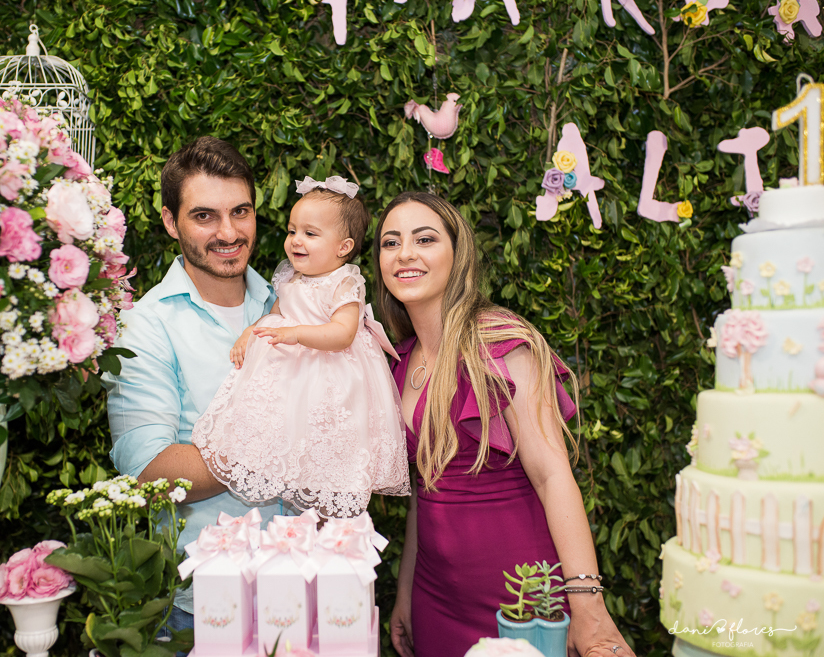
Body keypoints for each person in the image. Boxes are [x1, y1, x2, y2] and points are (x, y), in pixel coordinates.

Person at [377, 192, 635, 657]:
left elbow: (552, 475)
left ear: (457, 255)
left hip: (520, 597)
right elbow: (423, 492)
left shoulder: (499, 343)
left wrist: (589, 608)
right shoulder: (399, 361)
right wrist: (406, 595)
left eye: (425, 239)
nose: (405, 253)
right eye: (390, 242)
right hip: (435, 599)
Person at [104, 136, 283, 632]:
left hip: (305, 584)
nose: (228, 232)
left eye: (240, 212)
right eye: (205, 216)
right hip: (203, 607)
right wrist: (282, 442)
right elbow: (150, 471)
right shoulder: (146, 327)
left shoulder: (288, 305)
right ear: (170, 221)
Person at [192, 175, 410, 518]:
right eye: (292, 230)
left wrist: (297, 333)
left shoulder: (344, 282)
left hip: (330, 372)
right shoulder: (290, 277)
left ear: (343, 247)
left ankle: (323, 512)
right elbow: (277, 313)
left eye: (310, 233)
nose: (296, 240)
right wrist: (250, 332)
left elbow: (343, 333)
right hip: (291, 371)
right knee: (276, 424)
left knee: (325, 442)